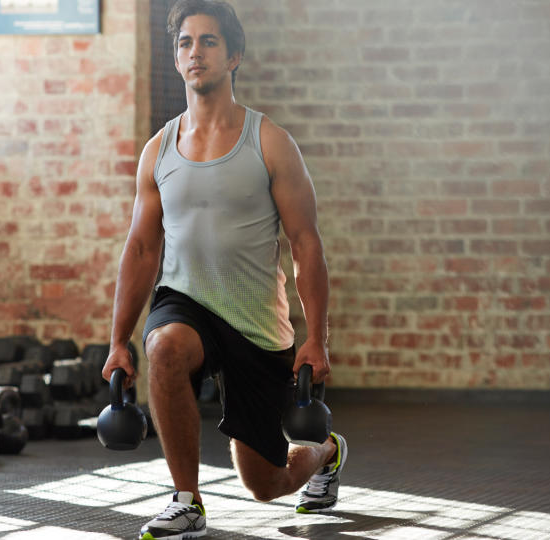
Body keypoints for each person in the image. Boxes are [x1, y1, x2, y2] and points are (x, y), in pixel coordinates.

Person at [101, 1, 347, 538]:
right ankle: (186, 499)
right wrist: (120, 340)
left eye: (209, 42)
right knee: (164, 345)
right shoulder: (159, 150)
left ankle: (325, 453)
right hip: (185, 300)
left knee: (264, 483)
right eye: (186, 43)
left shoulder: (271, 142)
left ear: (234, 55)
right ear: (176, 58)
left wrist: (317, 341)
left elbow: (306, 244)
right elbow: (142, 248)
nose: (196, 53)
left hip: (256, 321)